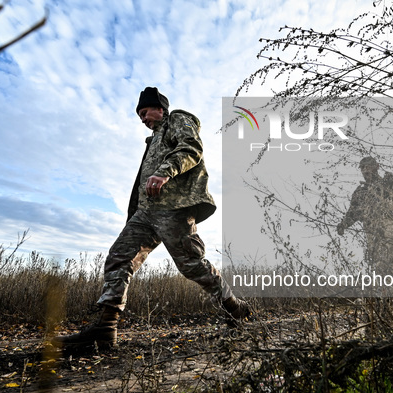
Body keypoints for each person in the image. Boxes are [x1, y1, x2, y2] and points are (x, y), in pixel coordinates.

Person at [52, 87, 250, 349]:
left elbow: (191, 149)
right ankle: (105, 328)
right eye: (140, 115)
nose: (143, 119)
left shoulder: (177, 120)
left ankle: (234, 306)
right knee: (118, 257)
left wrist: (165, 172)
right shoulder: (153, 140)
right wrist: (134, 213)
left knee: (192, 265)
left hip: (173, 207)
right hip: (145, 213)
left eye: (145, 112)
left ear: (160, 108)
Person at [337, 156, 393, 275]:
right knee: (380, 272)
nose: (365, 170)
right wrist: (343, 224)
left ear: (377, 166)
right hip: (372, 237)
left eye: (369, 166)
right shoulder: (361, 192)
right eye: (363, 168)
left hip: (392, 234)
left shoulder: (391, 184)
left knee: (385, 269)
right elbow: (353, 213)